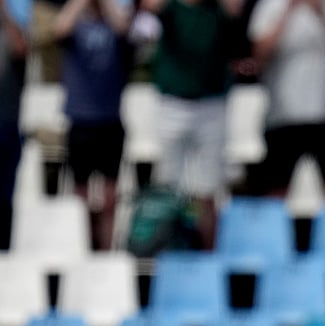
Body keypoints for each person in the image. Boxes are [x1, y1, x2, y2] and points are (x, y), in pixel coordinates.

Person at [143, 0, 243, 250]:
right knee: (168, 187)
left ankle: (206, 259)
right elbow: (150, 5)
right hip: (172, 104)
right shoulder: (172, 8)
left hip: (212, 105)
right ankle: (167, 250)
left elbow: (236, 8)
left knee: (207, 192)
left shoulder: (217, 9)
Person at [247, 0, 325, 199]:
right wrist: (287, 12)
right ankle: (277, 231)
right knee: (277, 189)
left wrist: (323, 14)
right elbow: (258, 52)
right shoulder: (270, 4)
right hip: (282, 115)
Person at [54, 0, 131, 251]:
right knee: (81, 196)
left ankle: (107, 251)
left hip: (110, 121)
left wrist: (106, 5)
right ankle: (83, 247)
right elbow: (59, 29)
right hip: (80, 121)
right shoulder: (75, 25)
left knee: (110, 197)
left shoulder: (115, 21)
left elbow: (125, 30)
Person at [0, 0, 26, 250]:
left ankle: (4, 257)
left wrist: (5, 11)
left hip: (6, 126)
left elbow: (21, 49)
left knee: (4, 200)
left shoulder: (11, 30)